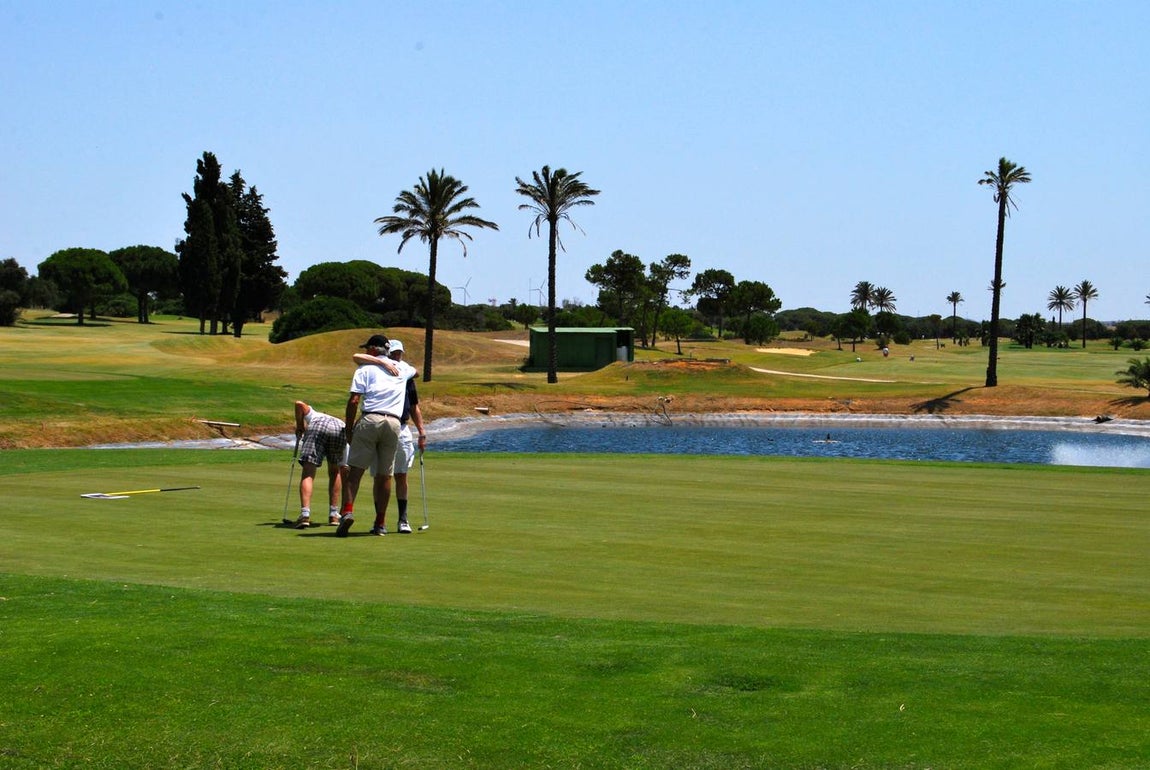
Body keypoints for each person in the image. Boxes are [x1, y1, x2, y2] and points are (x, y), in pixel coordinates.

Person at [338, 334, 416, 537]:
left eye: (368, 349)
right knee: (384, 476)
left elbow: (354, 400)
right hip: (393, 424)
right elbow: (414, 373)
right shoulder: (402, 368)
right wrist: (387, 362)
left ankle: (347, 511)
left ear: (373, 349)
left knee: (355, 471)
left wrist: (348, 428)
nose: (364, 352)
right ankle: (380, 523)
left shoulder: (364, 369)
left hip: (370, 419)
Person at [353, 339, 427, 533]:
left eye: (400, 353)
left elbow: (414, 406)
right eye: (394, 353)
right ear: (387, 353)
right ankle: (380, 522)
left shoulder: (404, 373)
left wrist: (421, 431)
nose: (397, 356)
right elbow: (357, 357)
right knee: (381, 475)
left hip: (400, 428)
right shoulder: (377, 369)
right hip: (386, 426)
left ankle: (403, 519)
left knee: (400, 474)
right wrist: (383, 363)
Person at [290, 401, 348, 528]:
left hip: (318, 427)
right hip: (341, 429)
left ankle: (305, 514)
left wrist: (300, 425)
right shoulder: (338, 421)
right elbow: (344, 470)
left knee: (308, 472)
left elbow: (298, 404)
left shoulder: (314, 415)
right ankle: (334, 514)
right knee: (335, 471)